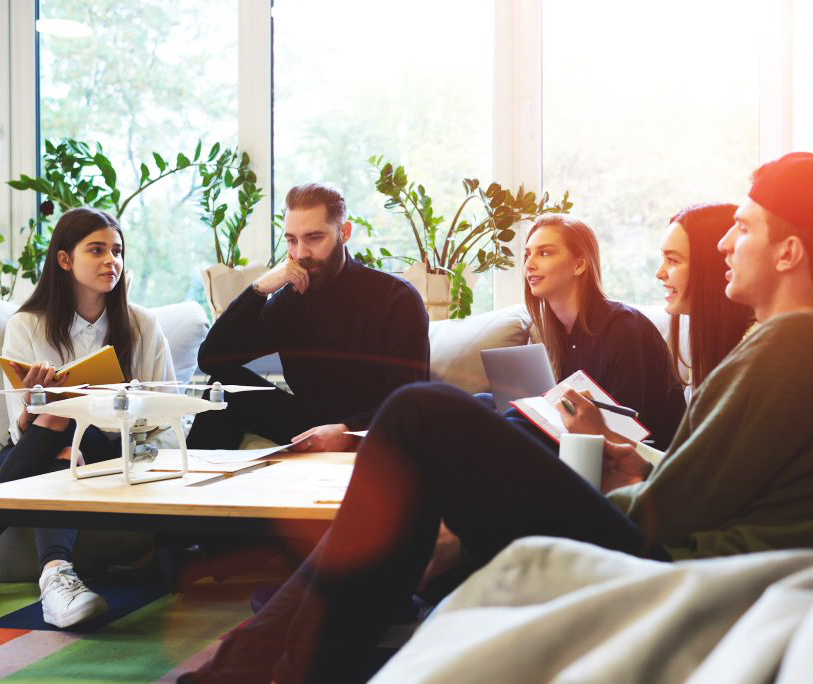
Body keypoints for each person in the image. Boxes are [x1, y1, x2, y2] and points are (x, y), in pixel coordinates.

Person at [180, 152, 813, 684]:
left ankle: (253, 665)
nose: (725, 244)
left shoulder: (789, 345)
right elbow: (717, 482)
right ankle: (267, 662)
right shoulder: (779, 343)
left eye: (744, 228)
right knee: (442, 435)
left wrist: (606, 485)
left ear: (788, 251)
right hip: (668, 532)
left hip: (666, 554)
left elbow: (675, 508)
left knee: (418, 412)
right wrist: (626, 466)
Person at [0, 207, 175, 629]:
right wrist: (40, 405)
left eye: (117, 251)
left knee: (62, 434)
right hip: (45, 444)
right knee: (57, 433)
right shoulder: (28, 324)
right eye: (96, 250)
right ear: (64, 259)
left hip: (116, 443)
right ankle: (56, 576)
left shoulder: (142, 324)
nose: (111, 261)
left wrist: (125, 402)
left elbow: (167, 410)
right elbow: (19, 426)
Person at [186, 182, 430, 453]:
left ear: (344, 233)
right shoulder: (291, 299)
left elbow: (409, 401)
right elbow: (213, 360)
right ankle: (192, 491)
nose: (301, 254)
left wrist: (347, 431)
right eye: (292, 240)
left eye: (314, 238)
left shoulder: (396, 299)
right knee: (224, 386)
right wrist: (259, 289)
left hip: (369, 429)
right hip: (306, 425)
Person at [503, 214, 685, 449]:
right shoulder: (552, 334)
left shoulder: (623, 328)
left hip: (637, 459)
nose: (529, 264)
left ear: (579, 264)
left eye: (545, 253)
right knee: (484, 403)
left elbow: (625, 434)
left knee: (513, 422)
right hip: (579, 446)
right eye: (528, 254)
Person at [657, 203, 753, 388]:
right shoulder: (712, 341)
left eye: (672, 260)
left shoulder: (750, 354)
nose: (659, 272)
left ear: (712, 269)